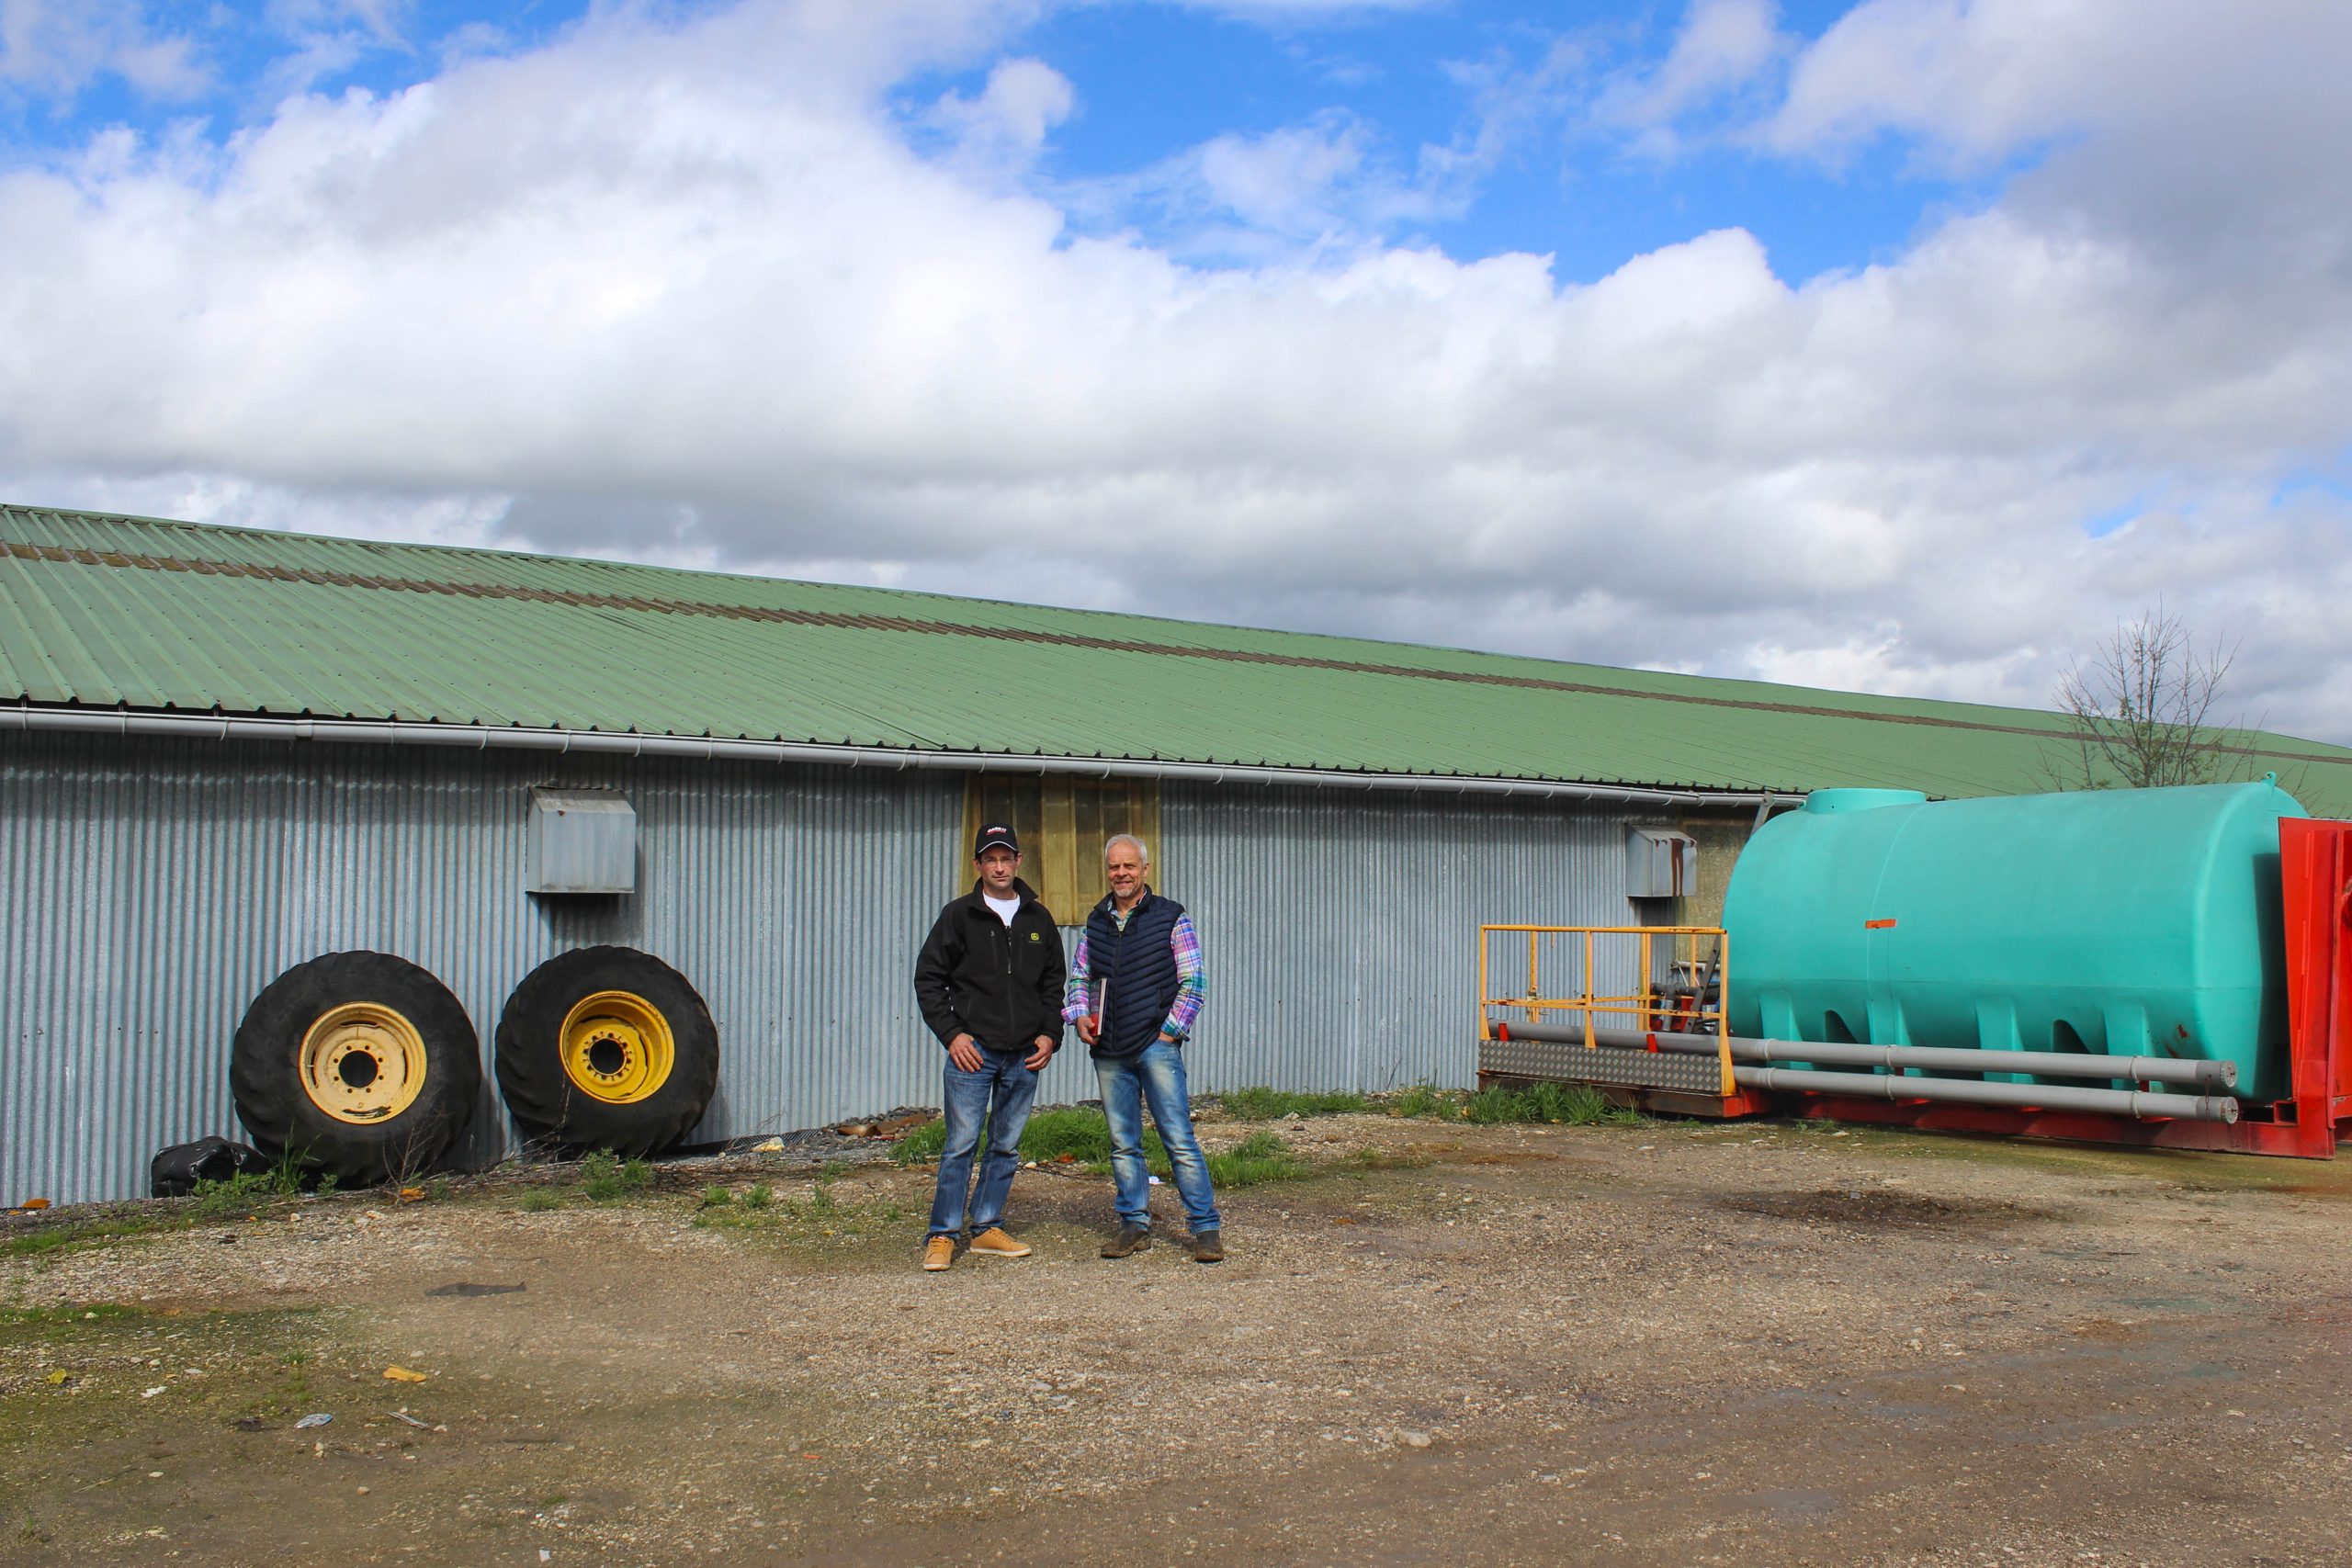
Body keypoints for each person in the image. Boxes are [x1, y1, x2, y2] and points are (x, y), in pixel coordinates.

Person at [911, 821, 1064, 1272]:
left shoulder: (1039, 919)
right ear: (977, 864)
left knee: (1006, 1145)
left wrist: (1049, 1034)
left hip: (1025, 1055)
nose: (999, 867)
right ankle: (942, 1234)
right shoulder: (959, 916)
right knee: (961, 1144)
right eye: (990, 859)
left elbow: (1054, 983)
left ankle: (986, 1227)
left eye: (1006, 858)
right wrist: (952, 1034)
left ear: (1018, 861)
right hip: (973, 1054)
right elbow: (929, 978)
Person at [1065, 833, 1222, 1262]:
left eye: (1129, 866)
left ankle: (1205, 1228)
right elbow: (1079, 977)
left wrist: (1169, 1032)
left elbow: (1194, 981)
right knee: (1123, 1143)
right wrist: (1079, 1016)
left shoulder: (1171, 916)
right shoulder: (1096, 921)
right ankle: (1134, 1225)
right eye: (1114, 867)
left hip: (1155, 1046)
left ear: (1145, 870)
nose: (1121, 873)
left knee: (1178, 1139)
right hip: (1110, 1050)